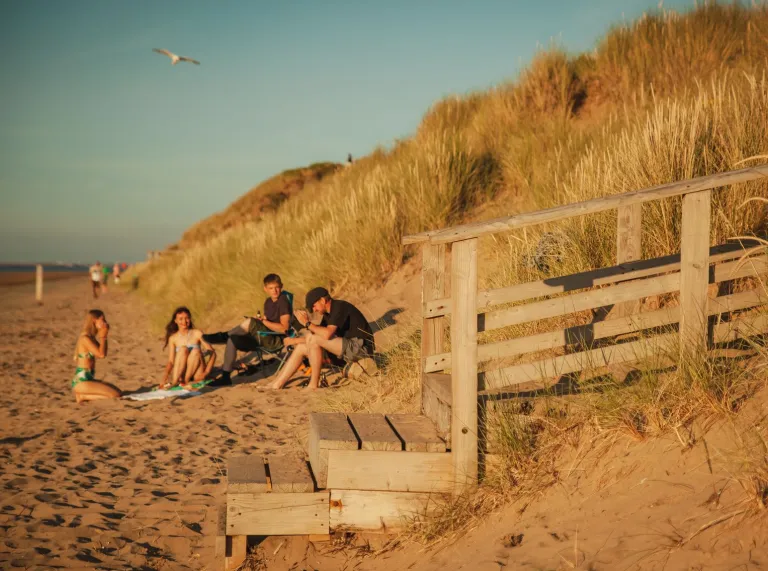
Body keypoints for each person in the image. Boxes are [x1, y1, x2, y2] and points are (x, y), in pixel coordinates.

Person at [270, 287, 375, 391]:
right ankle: (277, 384)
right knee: (302, 347)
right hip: (347, 350)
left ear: (323, 300)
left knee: (314, 338)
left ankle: (313, 385)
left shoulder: (339, 307)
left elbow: (326, 335)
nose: (314, 310)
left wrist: (307, 323)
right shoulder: (327, 315)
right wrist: (296, 339)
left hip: (361, 349)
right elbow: (316, 337)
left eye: (314, 306)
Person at [203, 273, 292, 387]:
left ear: (281, 286)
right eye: (271, 288)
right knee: (233, 340)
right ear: (265, 289)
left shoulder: (283, 301)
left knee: (250, 322)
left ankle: (222, 336)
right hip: (262, 337)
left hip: (274, 341)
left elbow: (284, 328)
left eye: (277, 287)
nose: (274, 291)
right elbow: (270, 321)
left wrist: (262, 322)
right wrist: (262, 320)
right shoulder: (268, 302)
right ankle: (226, 377)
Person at [71, 309, 122, 403]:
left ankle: (83, 395)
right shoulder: (85, 338)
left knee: (118, 392)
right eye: (103, 320)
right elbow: (101, 355)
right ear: (94, 320)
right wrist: (103, 336)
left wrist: (103, 336)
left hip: (89, 379)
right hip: (81, 381)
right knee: (115, 395)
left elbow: (103, 353)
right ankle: (82, 396)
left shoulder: (91, 338)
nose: (105, 323)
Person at [160, 307, 217, 389]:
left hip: (197, 372)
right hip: (182, 372)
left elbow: (212, 352)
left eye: (187, 318)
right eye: (180, 319)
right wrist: (164, 378)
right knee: (183, 349)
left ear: (190, 319)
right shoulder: (173, 338)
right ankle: (176, 381)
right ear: (175, 321)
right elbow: (171, 361)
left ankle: (185, 381)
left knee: (196, 351)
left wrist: (206, 372)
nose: (184, 321)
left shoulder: (197, 333)